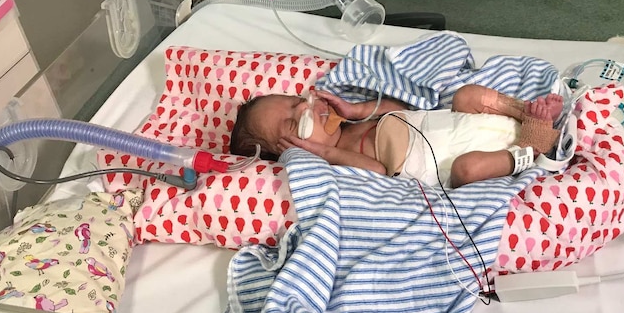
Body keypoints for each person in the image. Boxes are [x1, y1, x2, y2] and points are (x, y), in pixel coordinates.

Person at [230, 85, 564, 188]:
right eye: (292, 124)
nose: (304, 110)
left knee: (467, 96)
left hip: (458, 122)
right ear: (291, 151)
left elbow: (399, 110)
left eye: (294, 102)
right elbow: (376, 171)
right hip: (455, 163)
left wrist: (356, 110)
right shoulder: (336, 161)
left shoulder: (349, 123)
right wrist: (323, 154)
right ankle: (530, 147)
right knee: (468, 169)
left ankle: (527, 112)